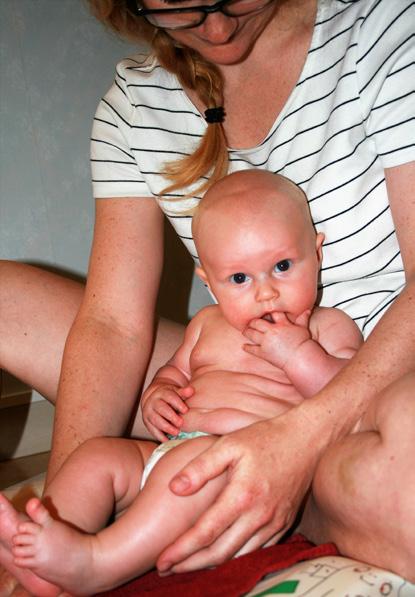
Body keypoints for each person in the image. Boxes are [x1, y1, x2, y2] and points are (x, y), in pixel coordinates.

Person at [0, 0, 414, 590]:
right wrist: (67, 512)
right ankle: (65, 550)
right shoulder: (131, 105)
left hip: (376, 383)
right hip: (205, 410)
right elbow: (114, 324)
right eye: (182, 8)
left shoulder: (387, 27)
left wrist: (297, 442)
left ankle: (313, 503)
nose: (216, 29)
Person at [0, 171, 363, 595]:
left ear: (316, 254)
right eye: (240, 279)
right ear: (209, 282)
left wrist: (300, 356)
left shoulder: (329, 329)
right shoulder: (207, 325)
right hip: (173, 453)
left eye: (282, 266)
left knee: (185, 468)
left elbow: (347, 401)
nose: (266, 293)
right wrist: (159, 395)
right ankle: (54, 543)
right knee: (98, 457)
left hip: (240, 474)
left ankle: (97, 562)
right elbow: (174, 371)